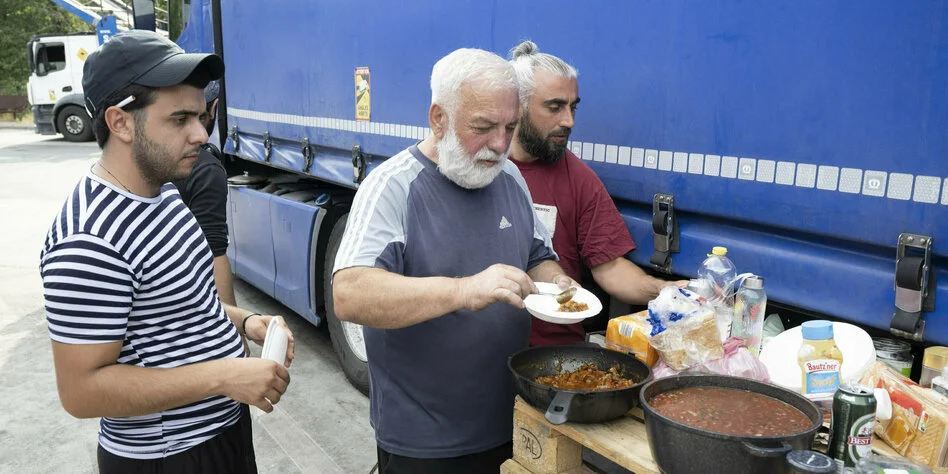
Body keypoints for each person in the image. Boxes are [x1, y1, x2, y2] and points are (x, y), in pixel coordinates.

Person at [38, 30, 294, 474]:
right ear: (120, 122)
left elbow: (186, 304)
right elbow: (81, 392)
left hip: (222, 432)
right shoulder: (88, 240)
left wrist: (250, 322)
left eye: (199, 115)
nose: (201, 134)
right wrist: (223, 375)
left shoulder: (164, 194)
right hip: (169, 457)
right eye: (179, 119)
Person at [331, 48, 575, 474]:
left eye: (510, 127)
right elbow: (350, 294)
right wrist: (463, 290)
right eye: (482, 128)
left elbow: (538, 254)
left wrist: (559, 284)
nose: (500, 145)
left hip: (510, 421)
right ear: (438, 118)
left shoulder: (510, 177)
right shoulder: (392, 186)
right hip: (425, 444)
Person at [508, 41, 687, 346]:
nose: (569, 121)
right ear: (517, 106)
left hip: (555, 356)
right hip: (490, 351)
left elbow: (611, 268)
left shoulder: (578, 178)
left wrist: (667, 292)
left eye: (573, 106)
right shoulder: (484, 170)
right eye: (554, 107)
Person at [173, 80, 235, 307]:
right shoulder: (205, 170)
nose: (201, 137)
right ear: (214, 108)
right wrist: (236, 333)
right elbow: (213, 254)